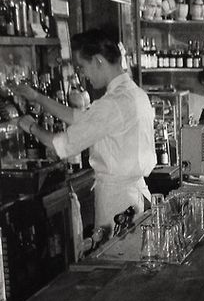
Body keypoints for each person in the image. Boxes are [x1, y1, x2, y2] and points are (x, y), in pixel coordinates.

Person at [16, 28, 156, 233]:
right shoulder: (134, 94)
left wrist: (29, 125)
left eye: (82, 66)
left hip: (118, 201)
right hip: (134, 194)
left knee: (116, 261)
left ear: (98, 61)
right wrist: (37, 97)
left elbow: (61, 144)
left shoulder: (111, 104)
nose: (83, 75)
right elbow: (78, 118)